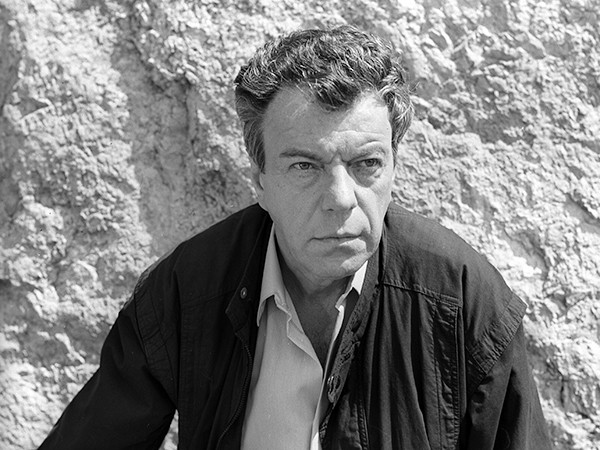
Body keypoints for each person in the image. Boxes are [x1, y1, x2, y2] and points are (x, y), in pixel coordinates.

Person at [38, 26, 551, 449]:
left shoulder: (463, 300)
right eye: (305, 166)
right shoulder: (185, 292)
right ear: (260, 181)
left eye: (366, 164)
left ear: (394, 166)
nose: (342, 199)